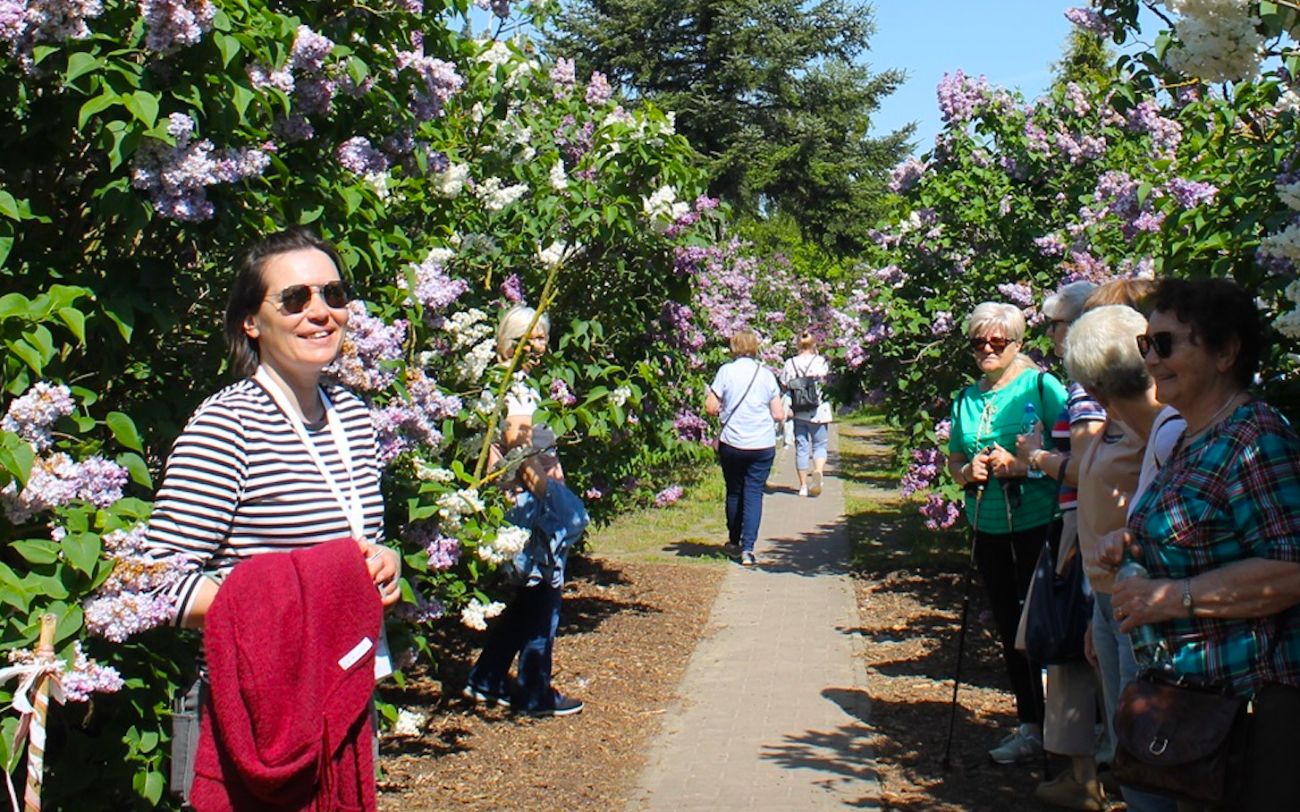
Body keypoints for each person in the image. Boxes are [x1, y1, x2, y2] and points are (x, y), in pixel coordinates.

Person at [144, 227, 401, 804]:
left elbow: (361, 544)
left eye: (333, 295)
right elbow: (160, 584)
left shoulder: (355, 419)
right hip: (253, 720)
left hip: (340, 700)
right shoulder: (226, 426)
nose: (320, 312)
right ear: (250, 323)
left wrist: (386, 564)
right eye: (294, 298)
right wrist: (308, 597)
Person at [1103, 277, 1300, 809]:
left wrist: (1172, 597)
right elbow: (1206, 534)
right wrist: (1135, 546)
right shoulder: (1195, 436)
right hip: (1194, 712)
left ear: (1225, 352)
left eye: (1165, 344)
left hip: (1247, 719)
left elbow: (1291, 570)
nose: (1151, 359)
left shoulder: (1254, 438)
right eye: (1146, 344)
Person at [1036, 303, 1178, 812]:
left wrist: (1035, 458)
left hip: (1145, 604)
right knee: (1126, 742)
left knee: (1146, 746)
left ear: (1094, 389)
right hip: (1109, 597)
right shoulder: (1118, 428)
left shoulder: (1167, 431)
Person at [948, 301, 1068, 765]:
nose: (987, 349)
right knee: (1008, 625)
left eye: (997, 341)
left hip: (1040, 523)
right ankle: (1030, 725)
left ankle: (1070, 728)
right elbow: (955, 458)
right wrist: (966, 472)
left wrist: (1025, 467)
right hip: (988, 524)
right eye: (979, 341)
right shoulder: (966, 398)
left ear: (1017, 342)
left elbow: (1077, 455)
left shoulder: (1042, 387)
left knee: (1045, 626)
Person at [464, 304, 586, 717]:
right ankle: (535, 691)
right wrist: (552, 498)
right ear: (506, 341)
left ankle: (487, 677)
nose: (537, 345)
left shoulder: (503, 383)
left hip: (523, 502)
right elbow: (517, 443)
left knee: (528, 596)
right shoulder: (515, 388)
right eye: (526, 339)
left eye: (541, 337)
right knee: (544, 598)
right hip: (532, 505)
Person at [1014, 281, 1107, 809]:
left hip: (1081, 523)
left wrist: (1037, 458)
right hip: (1084, 520)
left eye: (1053, 324)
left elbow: (1088, 465)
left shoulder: (1083, 385)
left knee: (1070, 644)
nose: (1048, 334)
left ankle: (1085, 776)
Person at [706, 329, 784, 567]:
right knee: (754, 494)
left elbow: (711, 408)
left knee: (734, 491)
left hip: (733, 443)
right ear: (755, 348)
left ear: (733, 347)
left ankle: (733, 541)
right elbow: (778, 414)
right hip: (762, 444)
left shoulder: (725, 372)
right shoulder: (767, 375)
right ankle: (748, 549)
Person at [781, 331, 833, 497]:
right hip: (819, 409)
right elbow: (828, 381)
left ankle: (803, 486)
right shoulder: (820, 361)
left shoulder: (790, 363)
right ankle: (818, 470)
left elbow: (784, 382)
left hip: (799, 410)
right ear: (814, 344)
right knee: (820, 445)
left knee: (801, 448)